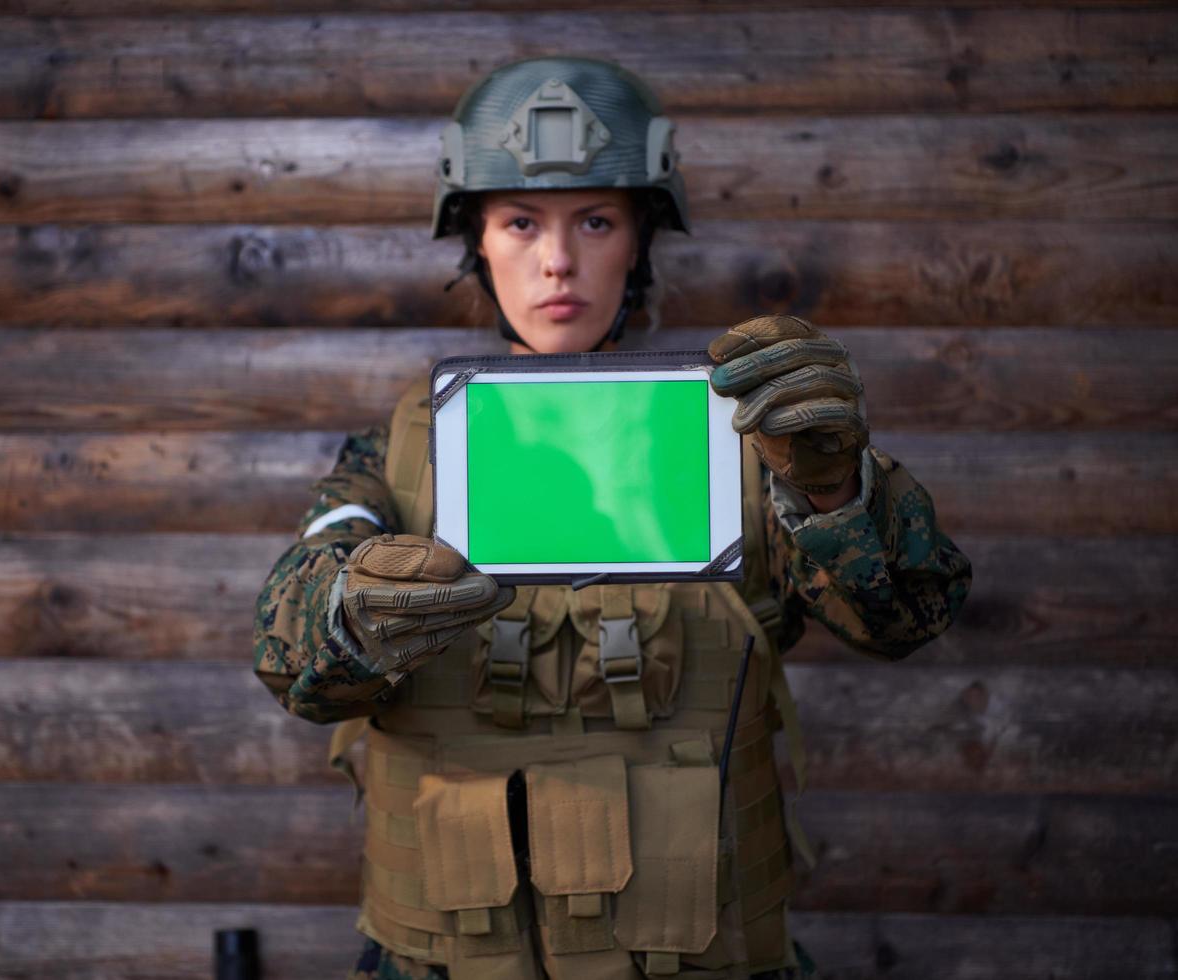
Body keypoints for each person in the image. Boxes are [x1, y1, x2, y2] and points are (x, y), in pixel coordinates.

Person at [253, 57, 971, 980]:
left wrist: (833, 488)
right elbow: (292, 657)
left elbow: (906, 618)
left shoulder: (751, 443)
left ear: (638, 242)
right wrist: (348, 614)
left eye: (595, 221)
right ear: (477, 242)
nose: (558, 261)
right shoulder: (396, 453)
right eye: (521, 222)